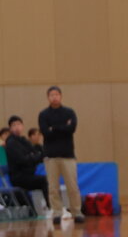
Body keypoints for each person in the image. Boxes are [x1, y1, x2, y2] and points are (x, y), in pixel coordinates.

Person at [39, 86, 84, 224]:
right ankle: (57, 212)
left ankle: (76, 212)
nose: (54, 97)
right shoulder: (43, 114)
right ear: (48, 97)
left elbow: (72, 128)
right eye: (52, 95)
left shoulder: (69, 112)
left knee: (72, 186)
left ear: (61, 96)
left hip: (67, 155)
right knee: (53, 188)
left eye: (57, 94)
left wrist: (54, 128)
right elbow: (46, 132)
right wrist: (63, 127)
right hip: (51, 156)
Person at [5, 115, 49, 206]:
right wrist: (33, 157)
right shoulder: (11, 143)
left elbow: (37, 155)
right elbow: (22, 160)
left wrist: (32, 157)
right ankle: (51, 207)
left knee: (49, 180)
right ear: (10, 128)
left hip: (29, 174)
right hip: (18, 177)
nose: (17, 127)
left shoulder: (24, 141)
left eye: (19, 124)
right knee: (44, 180)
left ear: (22, 126)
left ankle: (53, 207)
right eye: (14, 125)